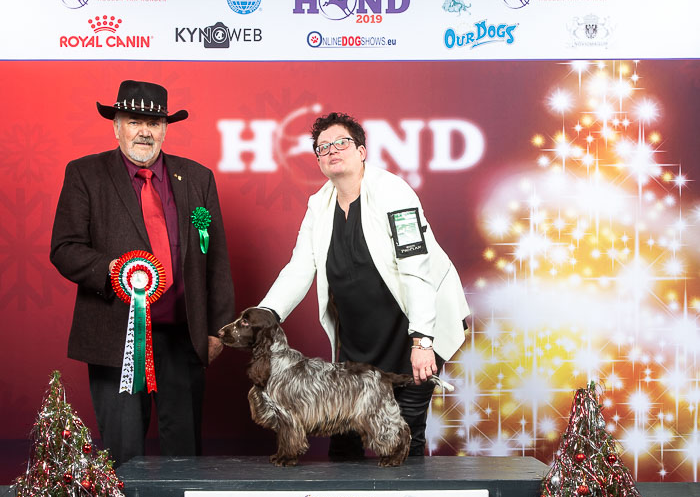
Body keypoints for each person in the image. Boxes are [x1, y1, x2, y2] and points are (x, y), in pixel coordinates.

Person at [259, 112, 468, 459]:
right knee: (344, 430)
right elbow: (299, 267)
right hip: (358, 338)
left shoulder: (394, 193)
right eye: (323, 147)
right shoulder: (318, 205)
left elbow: (416, 268)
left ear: (361, 151)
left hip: (413, 327)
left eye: (341, 143)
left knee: (403, 431)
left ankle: (409, 493)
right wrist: (267, 313)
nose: (332, 150)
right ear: (318, 161)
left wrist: (422, 340)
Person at [50, 80, 235, 467]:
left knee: (184, 454)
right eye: (134, 121)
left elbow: (215, 258)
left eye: (154, 122)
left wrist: (218, 330)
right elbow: (64, 248)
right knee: (122, 453)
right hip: (114, 336)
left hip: (183, 337)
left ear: (165, 129)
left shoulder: (197, 177)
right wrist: (112, 270)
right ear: (116, 126)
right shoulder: (85, 173)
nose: (145, 132)